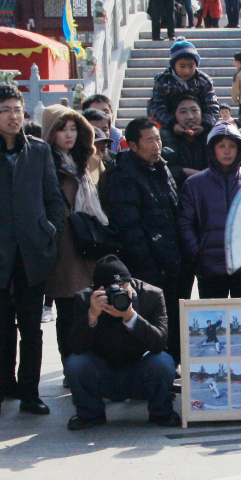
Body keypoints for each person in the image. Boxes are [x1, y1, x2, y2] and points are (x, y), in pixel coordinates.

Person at [0, 85, 64, 419]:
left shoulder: (39, 151)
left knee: (32, 327)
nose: (13, 116)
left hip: (32, 252)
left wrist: (49, 234)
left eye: (18, 109)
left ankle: (30, 393)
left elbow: (53, 199)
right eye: (5, 110)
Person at [60, 256, 175, 430]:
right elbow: (75, 348)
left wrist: (131, 317)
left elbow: (159, 343)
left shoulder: (151, 295)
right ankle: (90, 414)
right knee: (76, 363)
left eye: (123, 287)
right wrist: (91, 316)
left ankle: (162, 412)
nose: (119, 293)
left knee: (162, 361)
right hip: (102, 373)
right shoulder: (84, 299)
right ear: (97, 289)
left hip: (139, 372)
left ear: (130, 283)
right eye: (111, 289)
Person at [42, 105, 107, 355]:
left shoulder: (91, 160)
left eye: (73, 129)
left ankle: (93, 363)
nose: (69, 135)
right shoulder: (44, 163)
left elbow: (104, 200)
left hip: (92, 243)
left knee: (96, 305)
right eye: (62, 130)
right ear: (50, 133)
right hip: (64, 247)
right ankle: (71, 365)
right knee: (68, 310)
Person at [107, 117, 190, 302]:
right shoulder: (124, 176)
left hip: (172, 259)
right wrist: (149, 265)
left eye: (158, 139)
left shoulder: (161, 166)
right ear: (133, 146)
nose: (156, 146)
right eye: (149, 141)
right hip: (149, 266)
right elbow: (129, 228)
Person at [179, 123, 241, 297]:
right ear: (212, 149)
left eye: (232, 146)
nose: (227, 151)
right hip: (210, 267)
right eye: (221, 146)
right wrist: (197, 253)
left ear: (240, 149)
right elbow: (185, 223)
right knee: (214, 321)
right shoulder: (195, 184)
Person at [147, 39, 220, 134]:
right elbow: (157, 107)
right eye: (182, 66)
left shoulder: (203, 81)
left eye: (191, 66)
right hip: (170, 126)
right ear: (174, 65)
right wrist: (172, 124)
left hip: (199, 126)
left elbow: (213, 107)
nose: (187, 71)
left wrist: (205, 125)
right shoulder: (163, 81)